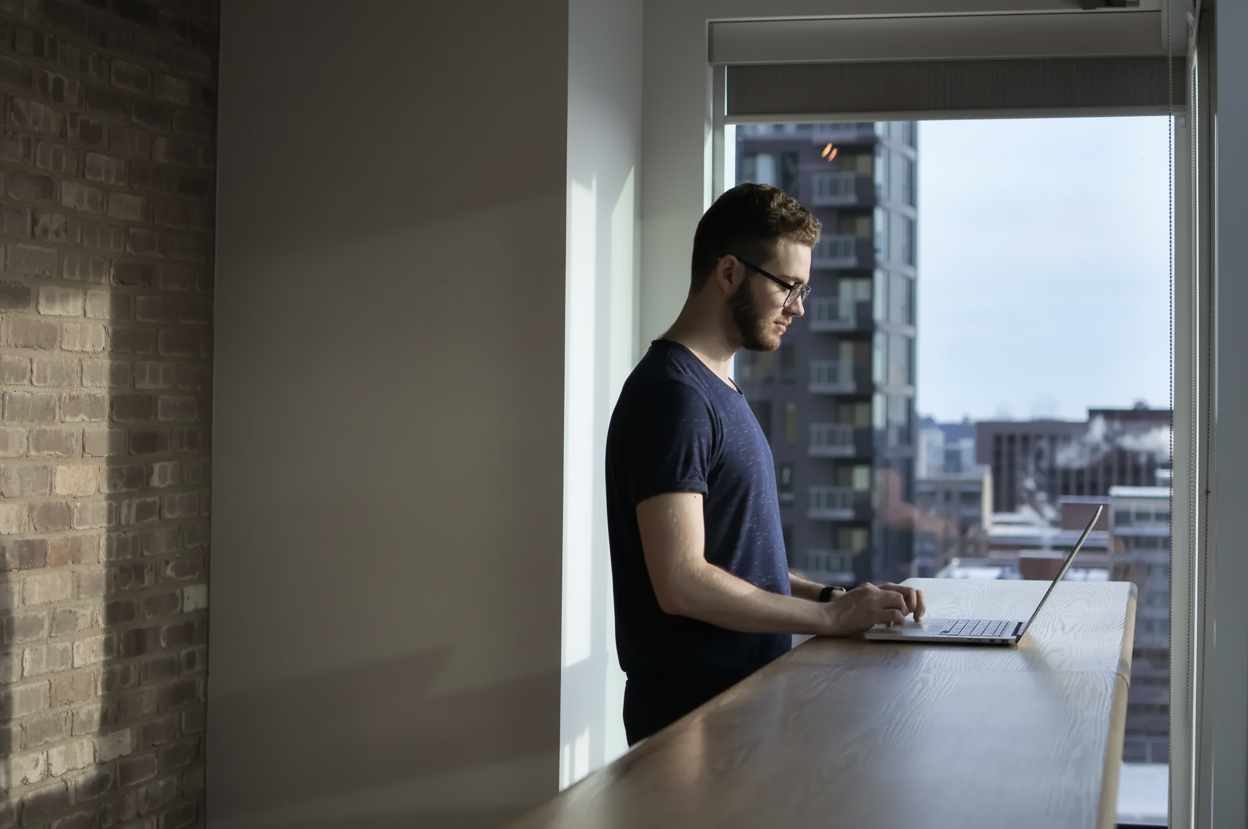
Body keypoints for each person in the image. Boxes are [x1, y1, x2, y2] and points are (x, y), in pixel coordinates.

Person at [605, 183, 926, 745]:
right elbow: (682, 582)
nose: (798, 308)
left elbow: (734, 562)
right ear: (729, 273)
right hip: (692, 721)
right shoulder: (673, 397)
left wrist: (836, 599)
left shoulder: (714, 388)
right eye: (789, 287)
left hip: (737, 707)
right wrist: (828, 623)